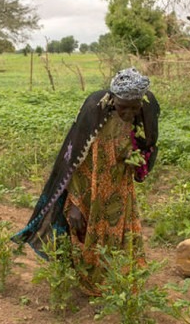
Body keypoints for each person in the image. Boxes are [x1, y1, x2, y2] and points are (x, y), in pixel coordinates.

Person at [12, 68, 160, 296]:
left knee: (121, 234)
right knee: (85, 235)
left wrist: (137, 161)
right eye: (124, 106)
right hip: (89, 188)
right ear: (113, 98)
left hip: (120, 187)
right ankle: (94, 284)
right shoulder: (94, 112)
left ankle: (119, 282)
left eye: (135, 106)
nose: (129, 112)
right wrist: (75, 204)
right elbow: (75, 163)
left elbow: (147, 146)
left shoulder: (146, 110)